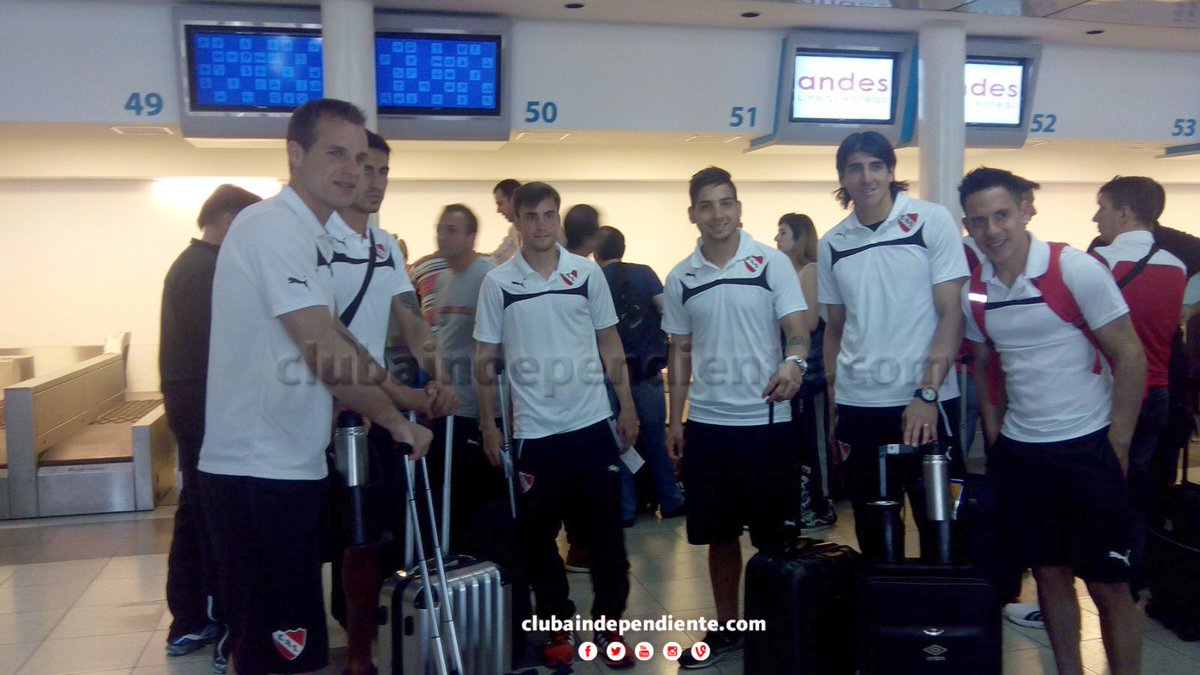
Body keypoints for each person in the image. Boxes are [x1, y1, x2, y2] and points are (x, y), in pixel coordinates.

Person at [197, 98, 431, 675]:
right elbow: (324, 353)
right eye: (335, 153)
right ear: (295, 154)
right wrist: (398, 422)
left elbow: (340, 338)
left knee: (282, 641)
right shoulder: (273, 227)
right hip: (257, 471)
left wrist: (402, 398)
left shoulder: (312, 237)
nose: (351, 169)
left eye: (359, 156)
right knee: (277, 648)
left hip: (289, 464)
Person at [960, 167, 1145, 675]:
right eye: (979, 221)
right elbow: (984, 365)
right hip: (1024, 454)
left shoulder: (1075, 269)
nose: (992, 230)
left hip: (1088, 448)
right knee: (1048, 575)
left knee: (1110, 583)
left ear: (1026, 210)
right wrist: (997, 439)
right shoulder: (975, 289)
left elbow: (1130, 356)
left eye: (1002, 215)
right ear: (967, 226)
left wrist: (1119, 443)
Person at [474, 181, 640, 670]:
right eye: (532, 216)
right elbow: (485, 357)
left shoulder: (586, 274)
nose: (541, 225)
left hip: (592, 426)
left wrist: (625, 406)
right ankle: (555, 627)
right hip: (533, 434)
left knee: (607, 539)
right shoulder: (498, 282)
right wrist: (488, 422)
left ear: (559, 220)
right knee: (538, 542)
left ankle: (610, 629)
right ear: (517, 221)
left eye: (550, 215)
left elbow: (610, 343)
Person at [664, 167, 809, 669]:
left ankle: (779, 630)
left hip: (768, 424)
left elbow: (797, 330)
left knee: (775, 540)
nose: (717, 214)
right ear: (692, 214)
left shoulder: (771, 263)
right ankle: (729, 629)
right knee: (719, 537)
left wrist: (795, 362)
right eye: (706, 205)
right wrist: (675, 419)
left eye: (726, 203)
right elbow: (679, 351)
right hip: (707, 426)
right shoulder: (681, 276)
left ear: (739, 208)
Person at [328, 129, 456, 675]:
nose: (373, 182)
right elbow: (334, 338)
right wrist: (403, 392)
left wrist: (441, 376)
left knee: (366, 528)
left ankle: (361, 643)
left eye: (383, 172)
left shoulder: (383, 247)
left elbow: (410, 319)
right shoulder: (318, 243)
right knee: (325, 533)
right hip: (317, 408)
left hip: (365, 411)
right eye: (365, 169)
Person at [817, 131, 968, 560]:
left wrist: (926, 392)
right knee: (873, 526)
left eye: (875, 166)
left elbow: (951, 313)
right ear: (842, 177)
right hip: (859, 404)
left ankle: (941, 623)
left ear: (890, 172)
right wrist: (834, 404)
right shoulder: (833, 243)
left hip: (925, 402)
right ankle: (887, 622)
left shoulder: (930, 220)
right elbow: (834, 330)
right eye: (855, 168)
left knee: (940, 522)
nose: (866, 177)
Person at [160, 184, 261, 670]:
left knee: (196, 509)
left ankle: (188, 620)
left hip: (190, 404)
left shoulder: (190, 264)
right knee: (215, 515)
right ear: (228, 219)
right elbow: (229, 346)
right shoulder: (207, 269)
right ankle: (222, 623)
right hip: (205, 407)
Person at [1090, 176, 1187, 600]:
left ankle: (1108, 569)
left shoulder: (1098, 265)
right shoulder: (1176, 266)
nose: (1097, 217)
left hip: (1111, 396)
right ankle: (1137, 573)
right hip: (1159, 391)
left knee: (1100, 489)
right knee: (1139, 485)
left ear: (1125, 213)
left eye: (1103, 208)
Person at [593, 225, 686, 526]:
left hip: (611, 377)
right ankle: (670, 500)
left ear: (596, 251)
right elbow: (665, 309)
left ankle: (626, 509)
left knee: (621, 444)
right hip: (648, 373)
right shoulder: (644, 273)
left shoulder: (594, 279)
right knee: (656, 440)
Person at [775, 212, 836, 529]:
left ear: (799, 237)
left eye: (783, 232)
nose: (777, 238)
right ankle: (800, 503)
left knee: (814, 440)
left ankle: (821, 503)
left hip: (811, 373)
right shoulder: (783, 273)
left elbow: (810, 323)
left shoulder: (809, 271)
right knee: (796, 441)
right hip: (791, 372)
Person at [489, 178, 522, 265]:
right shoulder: (514, 230)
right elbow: (498, 257)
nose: (498, 210)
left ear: (514, 200)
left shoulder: (541, 228)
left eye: (500, 204)